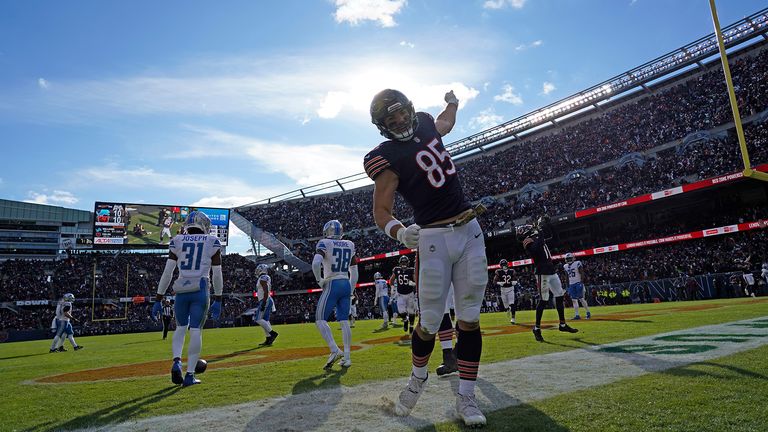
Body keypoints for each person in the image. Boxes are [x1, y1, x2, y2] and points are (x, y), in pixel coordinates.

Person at [364, 88, 488, 426]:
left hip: (470, 231)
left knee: (470, 318)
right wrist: (401, 232)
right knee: (430, 322)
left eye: (402, 113)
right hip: (432, 238)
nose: (400, 120)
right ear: (383, 126)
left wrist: (453, 102)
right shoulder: (385, 156)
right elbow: (381, 212)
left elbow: (446, 122)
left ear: (410, 108)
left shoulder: (428, 124)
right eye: (391, 119)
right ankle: (417, 381)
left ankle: (466, 396)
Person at [152, 210, 223, 387]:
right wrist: (219, 298)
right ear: (204, 225)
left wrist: (158, 298)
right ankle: (190, 374)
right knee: (196, 330)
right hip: (200, 288)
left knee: (180, 328)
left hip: (181, 288)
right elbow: (217, 274)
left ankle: (176, 361)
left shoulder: (177, 241)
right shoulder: (212, 242)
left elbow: (167, 273)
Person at [517, 217, 578, 343]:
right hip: (542, 273)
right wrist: (539, 232)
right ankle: (537, 328)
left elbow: (555, 239)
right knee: (543, 300)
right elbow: (536, 249)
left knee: (560, 295)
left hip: (551, 271)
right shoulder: (527, 241)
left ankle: (562, 325)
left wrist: (549, 224)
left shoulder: (537, 238)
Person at [312, 219, 358, 370]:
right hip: (345, 282)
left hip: (332, 282)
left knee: (320, 319)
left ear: (328, 231)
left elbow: (316, 263)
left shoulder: (324, 243)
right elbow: (355, 272)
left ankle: (334, 349)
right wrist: (350, 290)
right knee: (344, 321)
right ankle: (347, 357)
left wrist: (319, 279)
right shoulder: (350, 244)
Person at [389, 255, 417, 336]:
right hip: (400, 294)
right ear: (400, 263)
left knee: (411, 312)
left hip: (410, 294)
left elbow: (416, 281)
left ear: (407, 263)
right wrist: (392, 288)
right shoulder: (396, 270)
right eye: (402, 262)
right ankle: (405, 320)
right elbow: (391, 280)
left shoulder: (411, 270)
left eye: (405, 262)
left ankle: (411, 326)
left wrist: (413, 283)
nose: (404, 264)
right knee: (401, 311)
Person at [254, 264, 279, 346]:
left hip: (265, 300)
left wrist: (264, 302)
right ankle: (268, 339)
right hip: (266, 299)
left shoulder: (263, 278)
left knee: (258, 319)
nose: (257, 271)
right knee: (265, 320)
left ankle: (272, 333)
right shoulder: (264, 277)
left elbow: (266, 290)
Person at [563, 253, 591, 320]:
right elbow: (566, 276)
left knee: (581, 299)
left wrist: (581, 282)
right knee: (574, 300)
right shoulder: (565, 266)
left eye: (570, 258)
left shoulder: (577, 263)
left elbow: (582, 273)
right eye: (568, 259)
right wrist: (567, 285)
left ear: (573, 258)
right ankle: (577, 315)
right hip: (571, 284)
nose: (569, 260)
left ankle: (588, 312)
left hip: (578, 283)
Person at [493, 259, 519, 324]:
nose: (504, 266)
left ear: (507, 264)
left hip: (510, 289)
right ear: (501, 265)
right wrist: (499, 283)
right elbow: (494, 281)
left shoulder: (512, 271)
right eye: (503, 265)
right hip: (503, 290)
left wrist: (515, 282)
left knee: (512, 303)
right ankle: (508, 308)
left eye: (505, 264)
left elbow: (516, 279)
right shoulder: (498, 272)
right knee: (506, 306)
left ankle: (513, 318)